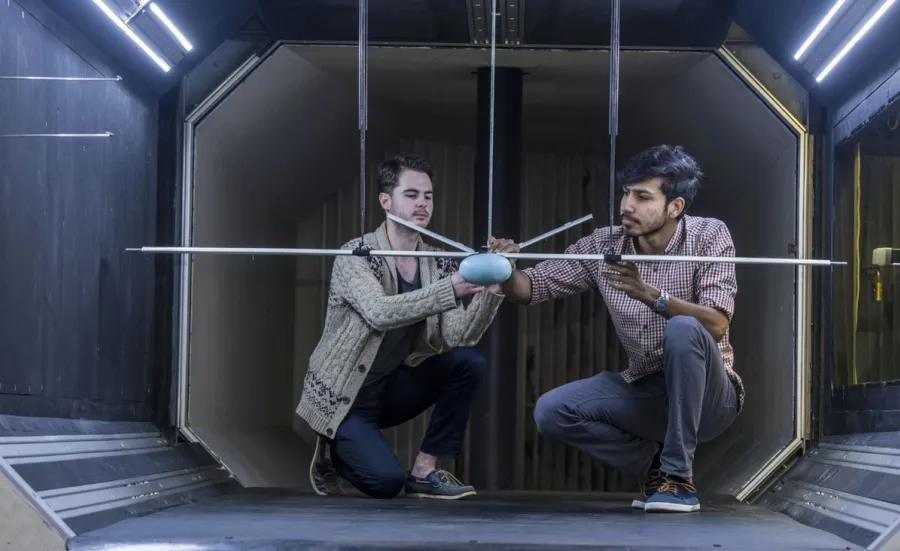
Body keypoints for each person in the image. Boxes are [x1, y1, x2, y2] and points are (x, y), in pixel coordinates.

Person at [496, 144, 742, 513]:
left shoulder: (709, 236)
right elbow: (531, 288)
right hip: (649, 391)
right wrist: (504, 269)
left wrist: (651, 295)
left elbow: (718, 325)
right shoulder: (605, 243)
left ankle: (679, 481)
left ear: (675, 207)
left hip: (711, 397)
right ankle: (655, 467)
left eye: (643, 196)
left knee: (683, 329)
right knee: (552, 411)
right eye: (627, 193)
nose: (627, 205)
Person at [296, 153, 517, 500]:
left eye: (428, 196)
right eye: (411, 195)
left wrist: (492, 289)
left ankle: (424, 470)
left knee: (468, 362)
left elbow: (461, 335)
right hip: (346, 397)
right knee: (385, 484)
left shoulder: (436, 262)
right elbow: (379, 312)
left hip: (391, 389)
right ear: (386, 201)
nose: (422, 204)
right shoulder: (356, 254)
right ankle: (333, 453)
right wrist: (451, 289)